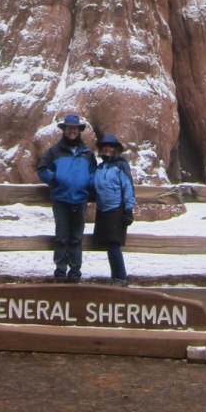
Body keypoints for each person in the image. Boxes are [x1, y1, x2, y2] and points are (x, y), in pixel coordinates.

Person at [36, 113, 97, 282]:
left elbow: (94, 172)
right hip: (61, 199)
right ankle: (60, 272)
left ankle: (75, 272)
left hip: (80, 199)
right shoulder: (54, 151)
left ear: (79, 130)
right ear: (64, 130)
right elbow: (42, 170)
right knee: (62, 237)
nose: (72, 131)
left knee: (76, 238)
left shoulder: (87, 153)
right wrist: (54, 178)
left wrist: (89, 182)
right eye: (69, 128)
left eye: (75, 128)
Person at [91, 134, 135, 287]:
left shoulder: (121, 165)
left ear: (116, 149)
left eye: (111, 146)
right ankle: (116, 277)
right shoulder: (100, 167)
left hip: (117, 209)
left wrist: (128, 210)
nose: (107, 149)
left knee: (113, 244)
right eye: (105, 147)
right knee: (108, 244)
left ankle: (120, 278)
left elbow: (128, 187)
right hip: (102, 210)